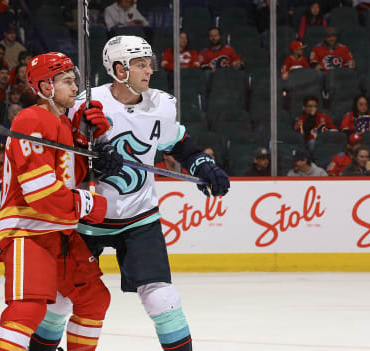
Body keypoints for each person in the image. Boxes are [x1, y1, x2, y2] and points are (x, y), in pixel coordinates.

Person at [30, 36, 230, 351]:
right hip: (87, 218)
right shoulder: (84, 103)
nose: (150, 70)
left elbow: (179, 144)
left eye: (148, 64)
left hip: (139, 217)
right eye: (141, 65)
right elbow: (63, 152)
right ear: (120, 70)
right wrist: (92, 158)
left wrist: (203, 165)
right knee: (60, 299)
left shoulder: (161, 105)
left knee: (162, 298)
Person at [0, 52, 121, 351]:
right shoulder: (31, 119)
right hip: (28, 229)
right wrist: (90, 205)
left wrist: (92, 144)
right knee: (28, 308)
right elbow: (40, 192)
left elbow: (67, 177)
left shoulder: (62, 125)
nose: (75, 88)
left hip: (60, 230)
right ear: (47, 87)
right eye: (66, 81)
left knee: (93, 299)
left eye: (74, 80)